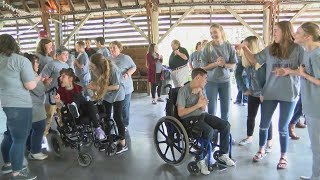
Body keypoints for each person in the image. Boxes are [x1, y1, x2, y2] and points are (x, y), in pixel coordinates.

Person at [236, 21, 304, 169]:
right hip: (270, 92)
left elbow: (305, 71)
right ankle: (261, 149)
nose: (274, 34)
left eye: (276, 31)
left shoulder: (298, 49)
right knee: (263, 124)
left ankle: (283, 156)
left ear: (285, 32)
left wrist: (289, 72)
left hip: (289, 93)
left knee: (282, 127)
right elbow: (254, 59)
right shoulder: (270, 48)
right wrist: (244, 47)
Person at [177, 68, 235, 175]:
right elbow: (180, 113)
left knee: (225, 125)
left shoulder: (202, 89)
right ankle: (200, 159)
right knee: (209, 131)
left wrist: (200, 93)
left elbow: (203, 109)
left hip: (202, 115)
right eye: (205, 79)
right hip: (189, 120)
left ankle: (223, 155)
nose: (206, 81)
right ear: (197, 77)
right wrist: (197, 105)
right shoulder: (183, 90)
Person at [0, 34, 37, 179]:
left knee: (9, 134)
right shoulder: (20, 60)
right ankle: (18, 172)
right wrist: (37, 79)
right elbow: (30, 85)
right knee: (19, 139)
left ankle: (8, 164)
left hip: (4, 104)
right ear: (14, 45)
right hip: (19, 105)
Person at [235, 36, 273, 151]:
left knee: (267, 119)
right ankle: (249, 137)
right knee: (251, 117)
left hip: (265, 95)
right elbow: (237, 74)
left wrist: (264, 92)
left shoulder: (265, 60)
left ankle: (269, 142)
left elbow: (270, 78)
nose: (244, 49)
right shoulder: (244, 59)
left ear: (253, 47)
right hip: (252, 93)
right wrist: (244, 89)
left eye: (247, 46)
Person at [294, 21, 320, 180]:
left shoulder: (317, 55)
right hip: (311, 105)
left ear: (308, 36)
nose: (295, 35)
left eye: (298, 32)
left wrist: (303, 75)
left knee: (317, 147)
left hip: (317, 107)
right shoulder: (308, 51)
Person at [89, 53, 128, 154]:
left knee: (117, 117)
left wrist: (99, 88)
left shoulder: (113, 69)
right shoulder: (96, 69)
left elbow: (116, 86)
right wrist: (95, 87)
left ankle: (123, 143)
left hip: (118, 94)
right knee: (105, 116)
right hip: (107, 95)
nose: (90, 67)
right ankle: (106, 139)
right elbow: (99, 82)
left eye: (92, 65)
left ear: (99, 65)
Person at [54, 68, 106, 140]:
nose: (60, 78)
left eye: (63, 76)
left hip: (84, 109)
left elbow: (91, 96)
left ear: (70, 79)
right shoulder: (60, 91)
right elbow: (60, 107)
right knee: (78, 96)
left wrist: (94, 90)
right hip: (72, 113)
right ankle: (74, 107)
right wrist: (57, 101)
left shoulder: (78, 87)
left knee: (88, 102)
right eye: (60, 76)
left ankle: (97, 128)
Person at [201, 23, 237, 121]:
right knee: (211, 111)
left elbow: (233, 64)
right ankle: (212, 134)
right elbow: (203, 67)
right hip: (211, 82)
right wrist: (216, 64)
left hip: (225, 82)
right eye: (211, 33)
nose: (213, 35)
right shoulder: (207, 47)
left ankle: (224, 134)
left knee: (225, 112)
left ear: (221, 32)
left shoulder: (228, 46)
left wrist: (224, 65)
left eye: (215, 32)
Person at [40, 46, 70, 137]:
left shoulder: (67, 65)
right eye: (64, 54)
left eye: (67, 54)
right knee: (49, 115)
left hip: (63, 94)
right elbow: (43, 77)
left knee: (63, 114)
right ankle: (43, 135)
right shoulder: (51, 65)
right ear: (58, 55)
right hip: (52, 94)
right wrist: (46, 82)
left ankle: (63, 131)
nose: (66, 56)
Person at [24, 53, 48, 160]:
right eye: (36, 62)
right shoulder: (31, 75)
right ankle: (35, 151)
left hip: (26, 106)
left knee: (30, 129)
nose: (38, 64)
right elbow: (39, 90)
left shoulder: (24, 74)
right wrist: (46, 83)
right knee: (39, 127)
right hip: (34, 106)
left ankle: (30, 148)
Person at [108, 41, 136, 129]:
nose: (112, 49)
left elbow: (134, 67)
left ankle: (125, 124)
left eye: (114, 47)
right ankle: (117, 122)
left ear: (119, 48)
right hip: (114, 87)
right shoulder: (108, 59)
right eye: (111, 47)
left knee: (124, 107)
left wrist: (128, 74)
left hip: (125, 87)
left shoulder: (125, 58)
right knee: (116, 108)